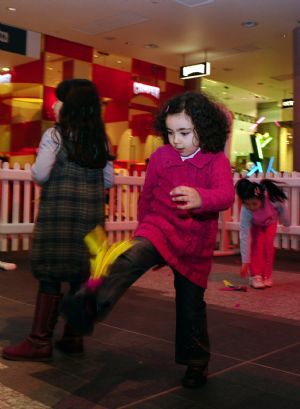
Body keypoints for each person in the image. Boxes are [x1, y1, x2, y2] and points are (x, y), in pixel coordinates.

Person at [60, 90, 235, 388]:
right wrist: (143, 231)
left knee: (191, 306)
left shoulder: (215, 160)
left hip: (195, 243)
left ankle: (196, 362)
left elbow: (226, 195)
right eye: (170, 132)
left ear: (204, 129)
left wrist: (201, 197)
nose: (175, 140)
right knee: (131, 256)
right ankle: (90, 303)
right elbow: (148, 197)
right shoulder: (161, 157)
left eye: (183, 132)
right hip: (159, 227)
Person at [2, 79, 115, 361]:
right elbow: (109, 180)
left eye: (59, 99)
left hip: (59, 217)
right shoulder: (101, 139)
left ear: (70, 105)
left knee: (51, 275)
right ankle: (73, 338)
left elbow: (40, 174)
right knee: (81, 275)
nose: (54, 104)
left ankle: (40, 341)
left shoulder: (55, 135)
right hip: (90, 219)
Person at [235, 178, 290, 289]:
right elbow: (244, 235)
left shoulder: (273, 200)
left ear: (262, 198)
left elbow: (283, 209)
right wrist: (245, 261)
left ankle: (267, 275)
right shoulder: (246, 211)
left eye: (254, 204)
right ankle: (256, 275)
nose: (251, 207)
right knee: (257, 245)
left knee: (268, 246)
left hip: (270, 223)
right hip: (256, 225)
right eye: (247, 204)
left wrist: (286, 223)